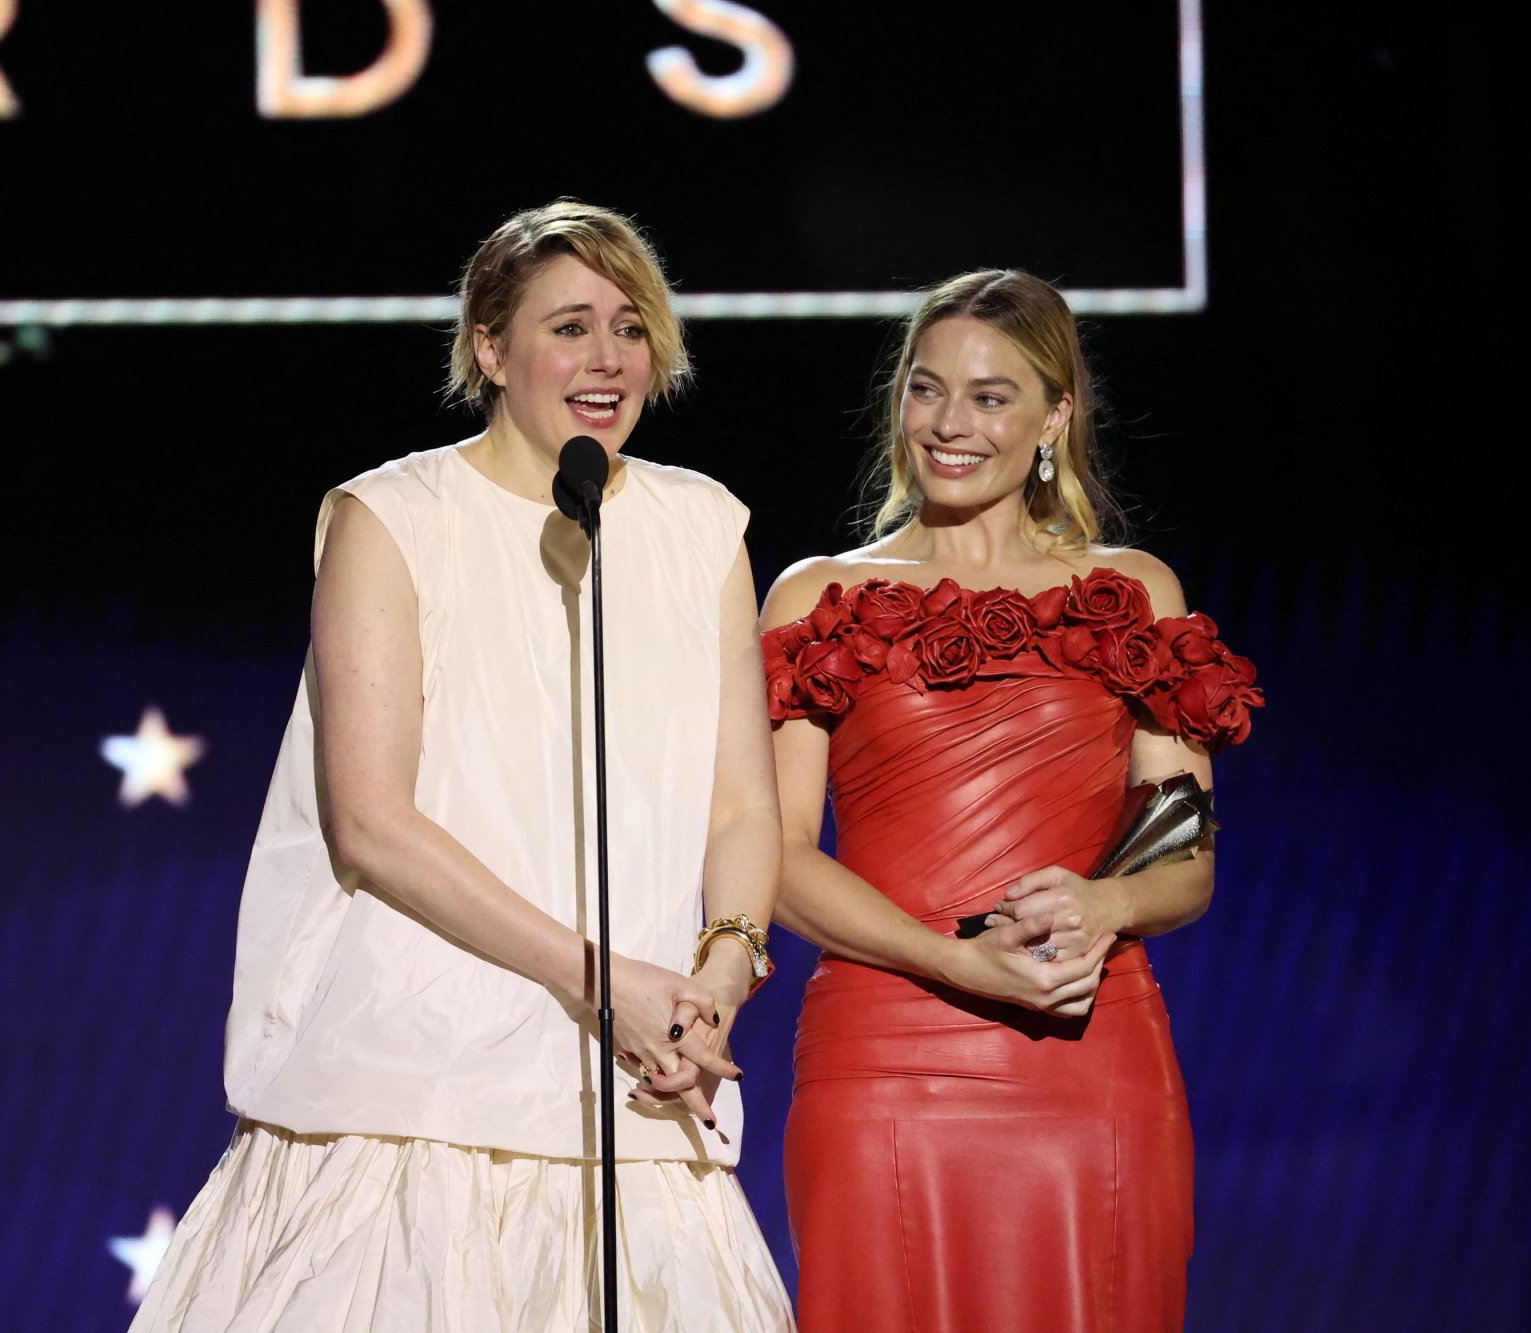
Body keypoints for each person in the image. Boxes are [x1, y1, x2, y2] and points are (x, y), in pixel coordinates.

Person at [132, 201, 794, 1331]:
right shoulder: (393, 518)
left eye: (630, 327)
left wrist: (715, 989)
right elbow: (370, 823)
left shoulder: (700, 528)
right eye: (569, 327)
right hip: (416, 1086)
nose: (606, 359)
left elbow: (741, 806)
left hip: (635, 1092)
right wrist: (605, 979)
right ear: (489, 348)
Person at [760, 270, 1262, 1331]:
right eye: (926, 388)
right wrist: (951, 959)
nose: (949, 424)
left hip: (1085, 1055)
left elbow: (1184, 854)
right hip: (884, 1064)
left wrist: (1105, 902)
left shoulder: (1131, 593)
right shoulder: (818, 594)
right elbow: (774, 854)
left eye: (989, 397)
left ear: (1054, 417)